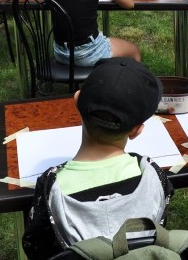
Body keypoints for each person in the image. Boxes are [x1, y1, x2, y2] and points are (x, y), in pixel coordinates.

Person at [22, 57, 171, 259]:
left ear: (76, 101)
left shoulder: (52, 185)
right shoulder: (153, 176)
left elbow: (36, 247)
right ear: (137, 130)